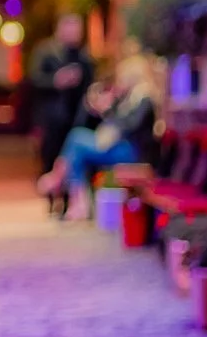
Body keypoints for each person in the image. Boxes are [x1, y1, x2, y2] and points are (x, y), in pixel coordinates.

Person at [38, 50, 160, 219]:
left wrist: (110, 113)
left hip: (134, 152)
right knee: (78, 151)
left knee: (77, 139)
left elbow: (129, 126)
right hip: (124, 147)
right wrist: (105, 108)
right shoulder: (131, 98)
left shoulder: (145, 99)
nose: (121, 80)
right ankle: (75, 197)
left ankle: (63, 182)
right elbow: (117, 122)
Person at [29, 11, 96, 173]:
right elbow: (34, 80)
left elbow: (90, 82)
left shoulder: (83, 55)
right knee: (50, 156)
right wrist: (56, 81)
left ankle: (68, 193)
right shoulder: (46, 51)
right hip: (52, 116)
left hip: (75, 116)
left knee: (71, 159)